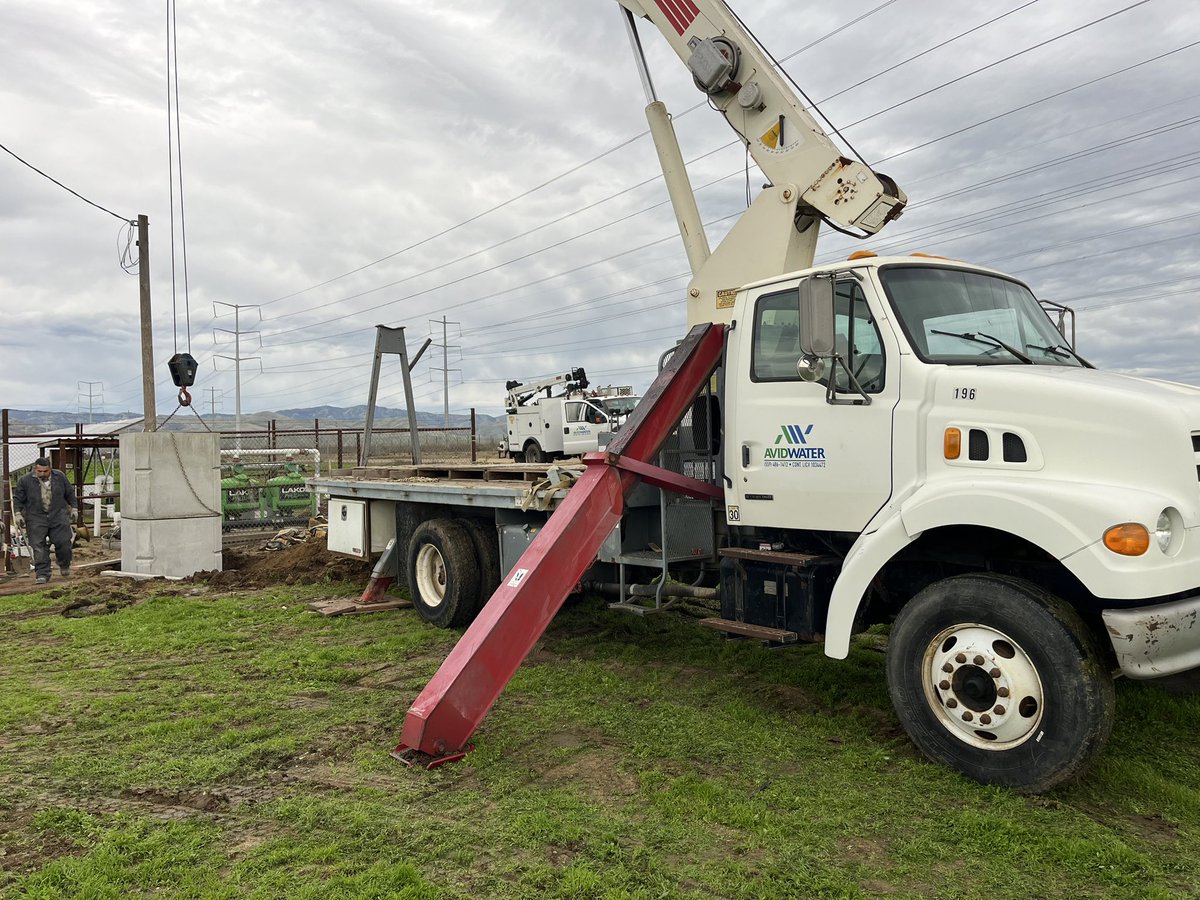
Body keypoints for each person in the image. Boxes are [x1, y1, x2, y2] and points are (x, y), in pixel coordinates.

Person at [13, 457, 76, 584]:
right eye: (39, 471)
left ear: (50, 470)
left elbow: (69, 493)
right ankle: (42, 573)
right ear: (35, 469)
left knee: (63, 542)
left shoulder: (60, 477)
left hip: (58, 515)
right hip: (35, 517)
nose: (42, 474)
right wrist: (18, 513)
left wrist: (74, 508)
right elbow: (18, 498)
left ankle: (64, 564)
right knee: (38, 546)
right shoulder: (25, 481)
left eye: (45, 471)